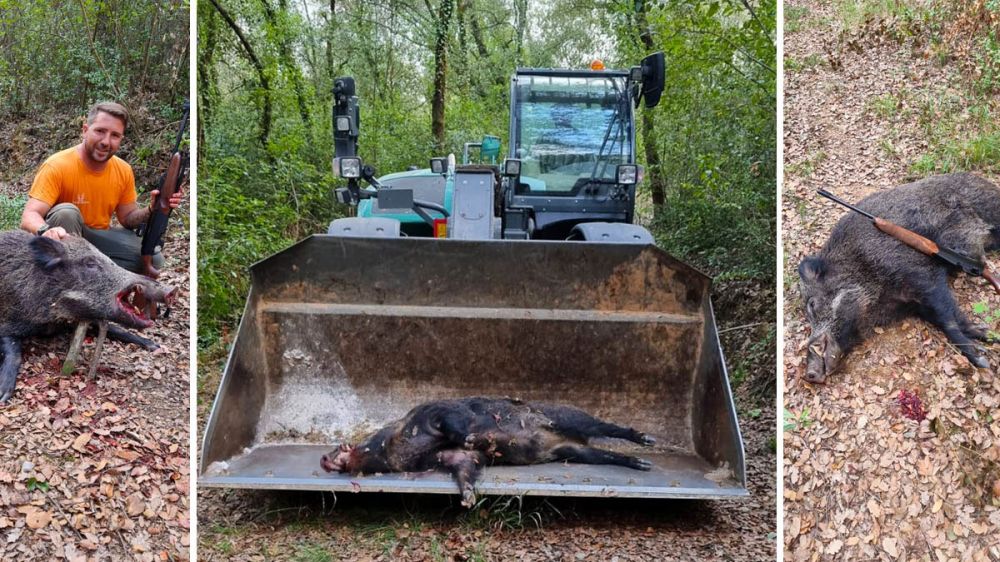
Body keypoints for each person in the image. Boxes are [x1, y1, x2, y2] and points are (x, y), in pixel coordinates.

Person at [19, 102, 182, 275]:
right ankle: (66, 285)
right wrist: (46, 231)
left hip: (97, 237)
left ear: (121, 139)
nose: (106, 141)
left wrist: (152, 208)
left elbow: (127, 218)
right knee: (66, 213)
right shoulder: (57, 165)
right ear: (85, 130)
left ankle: (105, 284)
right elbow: (29, 216)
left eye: (115, 135)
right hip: (61, 238)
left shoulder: (123, 170)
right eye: (100, 131)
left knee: (153, 258)